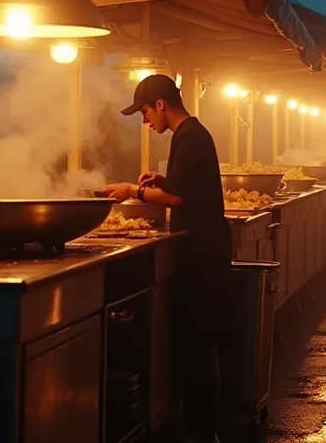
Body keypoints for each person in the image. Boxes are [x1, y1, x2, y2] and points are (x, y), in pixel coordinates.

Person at [103, 74, 231, 443]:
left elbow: (178, 200)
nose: (145, 121)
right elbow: (182, 186)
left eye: (145, 112)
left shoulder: (189, 136)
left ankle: (204, 431)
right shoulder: (191, 134)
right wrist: (162, 178)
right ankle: (201, 427)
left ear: (161, 104)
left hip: (204, 254)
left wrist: (134, 190)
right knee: (197, 342)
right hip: (204, 249)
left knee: (200, 343)